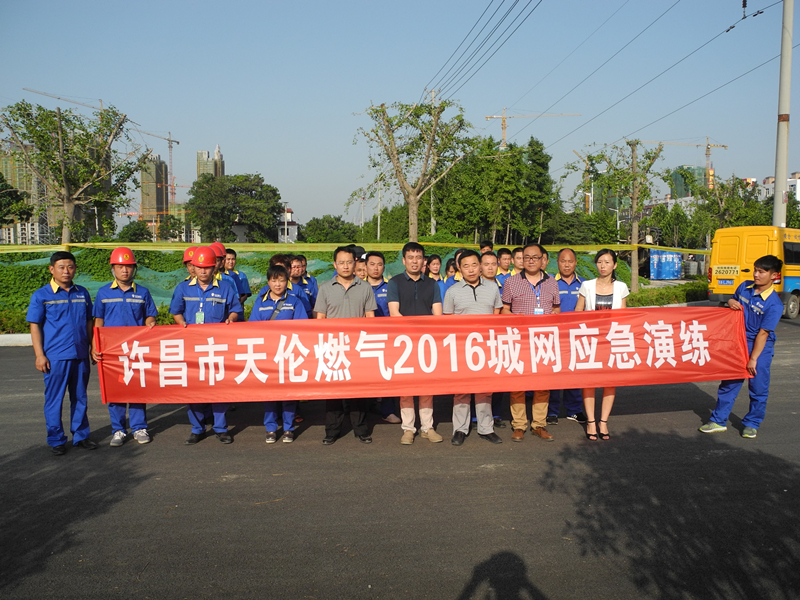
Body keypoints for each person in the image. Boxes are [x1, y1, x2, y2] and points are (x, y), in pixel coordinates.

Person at [699, 254, 784, 439]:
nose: (756, 274)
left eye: (761, 272)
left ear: (774, 276)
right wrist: (731, 302)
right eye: (755, 270)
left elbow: (763, 334)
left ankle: (752, 423)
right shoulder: (745, 287)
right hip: (737, 342)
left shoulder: (774, 304)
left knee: (758, 388)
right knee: (729, 383)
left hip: (759, 347)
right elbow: (733, 299)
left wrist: (753, 359)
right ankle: (718, 420)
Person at [169, 246, 242, 445]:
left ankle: (221, 428)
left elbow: (235, 309)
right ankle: (197, 428)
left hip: (216, 347)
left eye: (207, 267)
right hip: (192, 347)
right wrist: (182, 324)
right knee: (193, 388)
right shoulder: (183, 288)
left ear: (214, 267)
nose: (203, 271)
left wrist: (231, 319)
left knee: (219, 387)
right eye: (199, 267)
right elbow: (176, 311)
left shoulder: (225, 288)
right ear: (193, 267)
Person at [27, 251, 97, 455]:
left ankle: (81, 436)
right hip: (55, 357)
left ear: (75, 269)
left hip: (80, 354)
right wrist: (39, 355)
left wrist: (92, 346)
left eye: (70, 267)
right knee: (54, 399)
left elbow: (89, 321)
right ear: (52, 269)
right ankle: (56, 439)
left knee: (80, 397)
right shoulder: (42, 295)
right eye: (61, 267)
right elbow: (35, 325)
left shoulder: (82, 293)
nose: (66, 271)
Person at [92, 247, 158, 446]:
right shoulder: (103, 292)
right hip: (112, 351)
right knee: (116, 390)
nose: (125, 270)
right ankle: (118, 430)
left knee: (137, 389)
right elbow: (98, 322)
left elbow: (150, 316)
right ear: (113, 268)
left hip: (136, 349)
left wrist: (150, 323)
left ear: (134, 269)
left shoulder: (142, 292)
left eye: (128, 266)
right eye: (120, 266)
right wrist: (95, 346)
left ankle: (139, 428)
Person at [314, 246, 377, 445]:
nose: (345, 266)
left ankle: (361, 430)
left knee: (358, 391)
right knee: (333, 392)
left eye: (349, 262)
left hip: (358, 346)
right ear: (335, 264)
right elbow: (320, 319)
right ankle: (332, 431)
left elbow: (370, 317)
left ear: (355, 263)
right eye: (341, 262)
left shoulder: (365, 287)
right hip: (334, 347)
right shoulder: (325, 288)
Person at [501, 243, 560, 442]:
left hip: (544, 341)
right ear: (521, 260)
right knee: (518, 384)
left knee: (542, 384)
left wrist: (554, 316)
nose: (531, 261)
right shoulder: (511, 282)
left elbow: (557, 309)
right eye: (527, 257)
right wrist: (514, 318)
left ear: (543, 259)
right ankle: (519, 425)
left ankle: (539, 425)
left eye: (535, 257)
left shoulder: (552, 282)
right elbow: (504, 309)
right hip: (519, 340)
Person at [443, 250, 503, 446]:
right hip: (462, 347)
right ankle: (460, 429)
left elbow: (496, 315)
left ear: (480, 266)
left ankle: (486, 428)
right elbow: (448, 320)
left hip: (486, 346)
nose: (470, 269)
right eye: (466, 266)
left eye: (474, 265)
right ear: (459, 269)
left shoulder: (493, 288)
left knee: (485, 389)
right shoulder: (452, 291)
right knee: (461, 389)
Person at [387, 242, 444, 445]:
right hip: (403, 343)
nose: (414, 261)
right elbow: (394, 313)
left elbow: (437, 314)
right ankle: (408, 429)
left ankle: (427, 427)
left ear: (424, 261)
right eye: (410, 257)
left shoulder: (432, 284)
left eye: (418, 257)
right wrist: (413, 331)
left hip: (427, 342)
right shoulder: (394, 282)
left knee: (427, 387)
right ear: (404, 260)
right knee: (406, 388)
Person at [574, 249, 630, 441]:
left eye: (607, 262)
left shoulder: (621, 287)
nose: (603, 266)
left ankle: (603, 421)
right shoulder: (587, 285)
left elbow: (623, 316)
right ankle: (591, 421)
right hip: (590, 341)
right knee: (589, 382)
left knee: (609, 382)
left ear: (614, 265)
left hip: (612, 341)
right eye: (599, 262)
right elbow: (578, 311)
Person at [249, 265, 308, 443]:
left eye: (281, 280)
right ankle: (270, 428)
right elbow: (252, 327)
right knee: (269, 393)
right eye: (274, 280)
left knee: (288, 393)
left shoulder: (294, 301)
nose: (277, 284)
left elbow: (302, 327)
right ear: (268, 282)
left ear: (287, 282)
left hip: (288, 354)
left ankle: (289, 428)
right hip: (267, 354)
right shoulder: (261, 302)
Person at [547, 248, 587, 426]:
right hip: (555, 336)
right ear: (557, 262)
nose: (567, 265)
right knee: (554, 374)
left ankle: (574, 410)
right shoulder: (550, 283)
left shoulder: (584, 284)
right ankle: (552, 411)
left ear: (575, 263)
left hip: (577, 336)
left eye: (570, 261)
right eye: (563, 261)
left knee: (575, 374)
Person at [364, 251, 401, 424]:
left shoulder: (391, 286)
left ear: (384, 267)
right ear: (365, 266)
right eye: (372, 264)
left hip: (388, 337)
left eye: (379, 264)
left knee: (388, 374)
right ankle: (364, 411)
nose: (376, 268)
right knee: (365, 375)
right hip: (364, 338)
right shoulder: (359, 287)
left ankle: (388, 411)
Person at [479, 251, 506, 427]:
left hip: (498, 338)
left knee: (497, 378)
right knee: (478, 380)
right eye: (486, 264)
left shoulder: (504, 286)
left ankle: (495, 414)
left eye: (493, 264)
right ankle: (475, 416)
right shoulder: (472, 286)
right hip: (477, 339)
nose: (490, 267)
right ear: (480, 266)